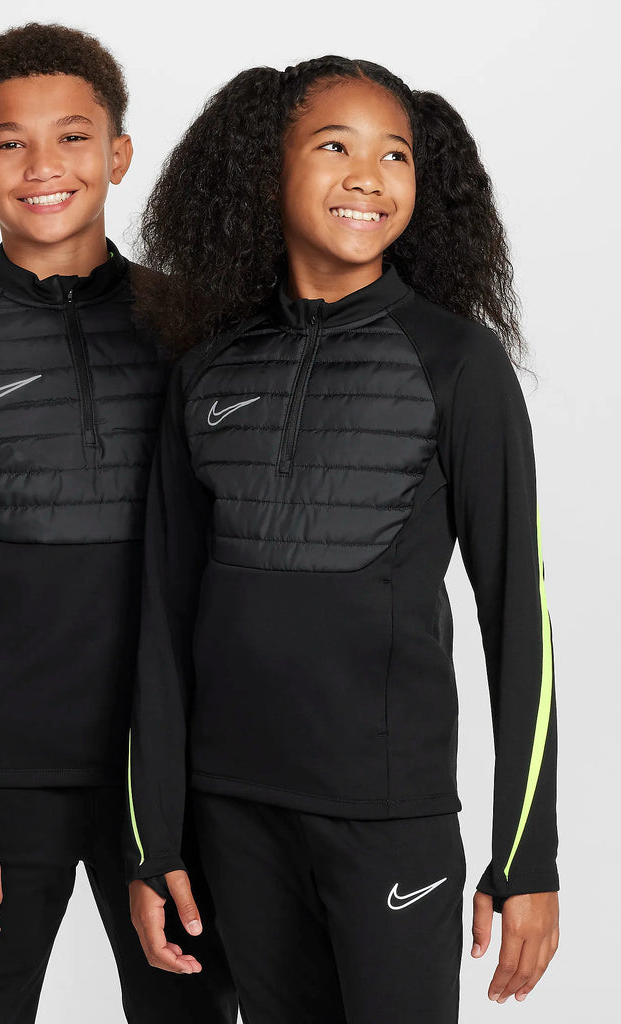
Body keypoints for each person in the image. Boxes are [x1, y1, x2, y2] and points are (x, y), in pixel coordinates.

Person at [125, 56, 559, 1023]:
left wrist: (526, 854)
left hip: (388, 814)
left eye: (394, 155)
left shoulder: (457, 363)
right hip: (232, 810)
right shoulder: (206, 367)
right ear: (265, 168)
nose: (368, 176)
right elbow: (161, 618)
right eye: (334, 146)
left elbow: (516, 622)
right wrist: (152, 842)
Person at [0, 22, 235, 1024]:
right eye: (9, 143)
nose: (43, 167)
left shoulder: (194, 332)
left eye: (72, 137)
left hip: (171, 774)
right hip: (0, 780)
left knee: (192, 1010)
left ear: (118, 154)